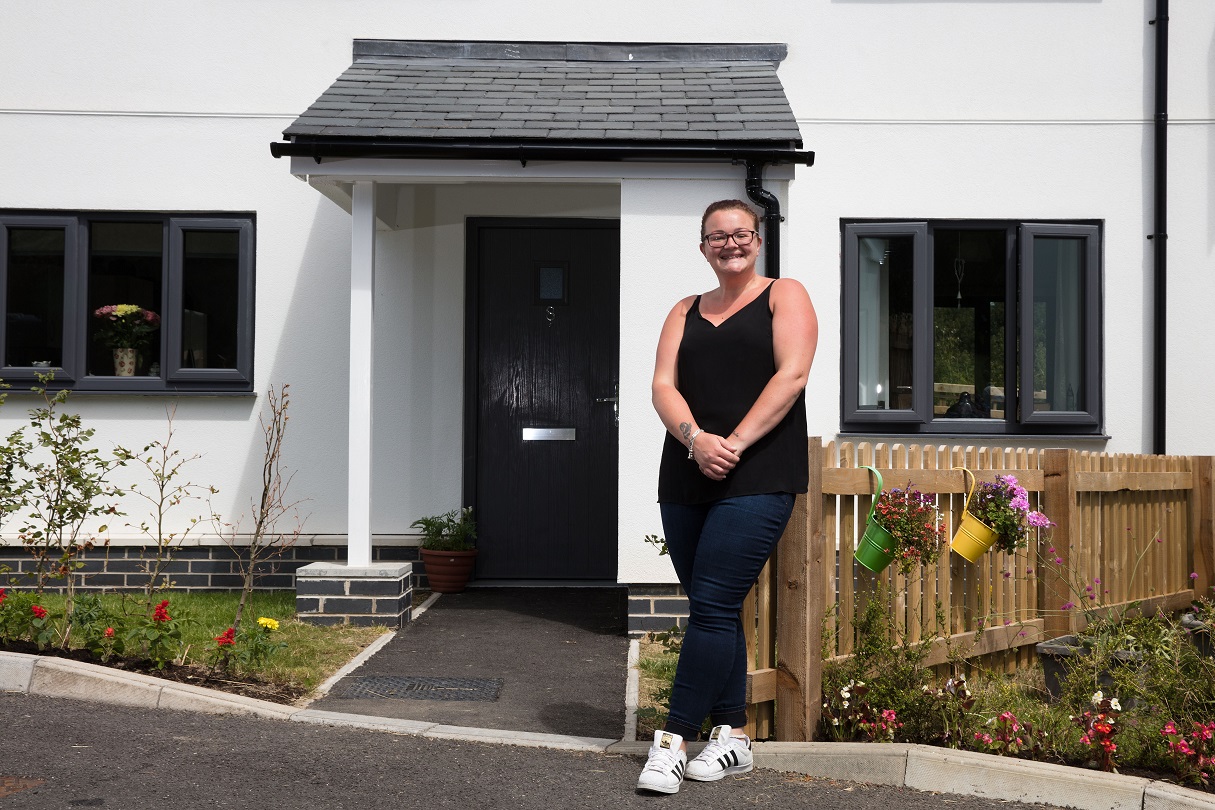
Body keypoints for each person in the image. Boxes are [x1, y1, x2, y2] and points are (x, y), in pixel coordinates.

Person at [637, 199, 818, 794]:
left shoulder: (783, 295)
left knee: (711, 606)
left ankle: (671, 744)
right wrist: (696, 440)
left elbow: (791, 375)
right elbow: (663, 385)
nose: (730, 243)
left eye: (741, 233)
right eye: (718, 236)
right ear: (703, 247)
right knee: (714, 607)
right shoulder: (682, 310)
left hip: (758, 472)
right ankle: (733, 736)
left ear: (758, 240)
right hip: (688, 472)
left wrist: (732, 444)